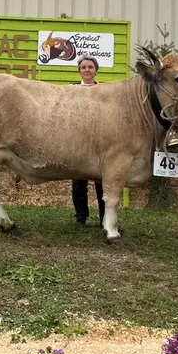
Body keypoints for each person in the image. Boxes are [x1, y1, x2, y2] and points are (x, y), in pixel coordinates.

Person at [71, 55, 105, 228]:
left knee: (102, 182)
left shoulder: (105, 91)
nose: (87, 70)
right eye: (83, 67)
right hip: (78, 140)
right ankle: (81, 218)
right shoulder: (72, 90)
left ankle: (104, 219)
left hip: (100, 141)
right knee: (79, 183)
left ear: (96, 70)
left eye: (90, 67)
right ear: (79, 71)